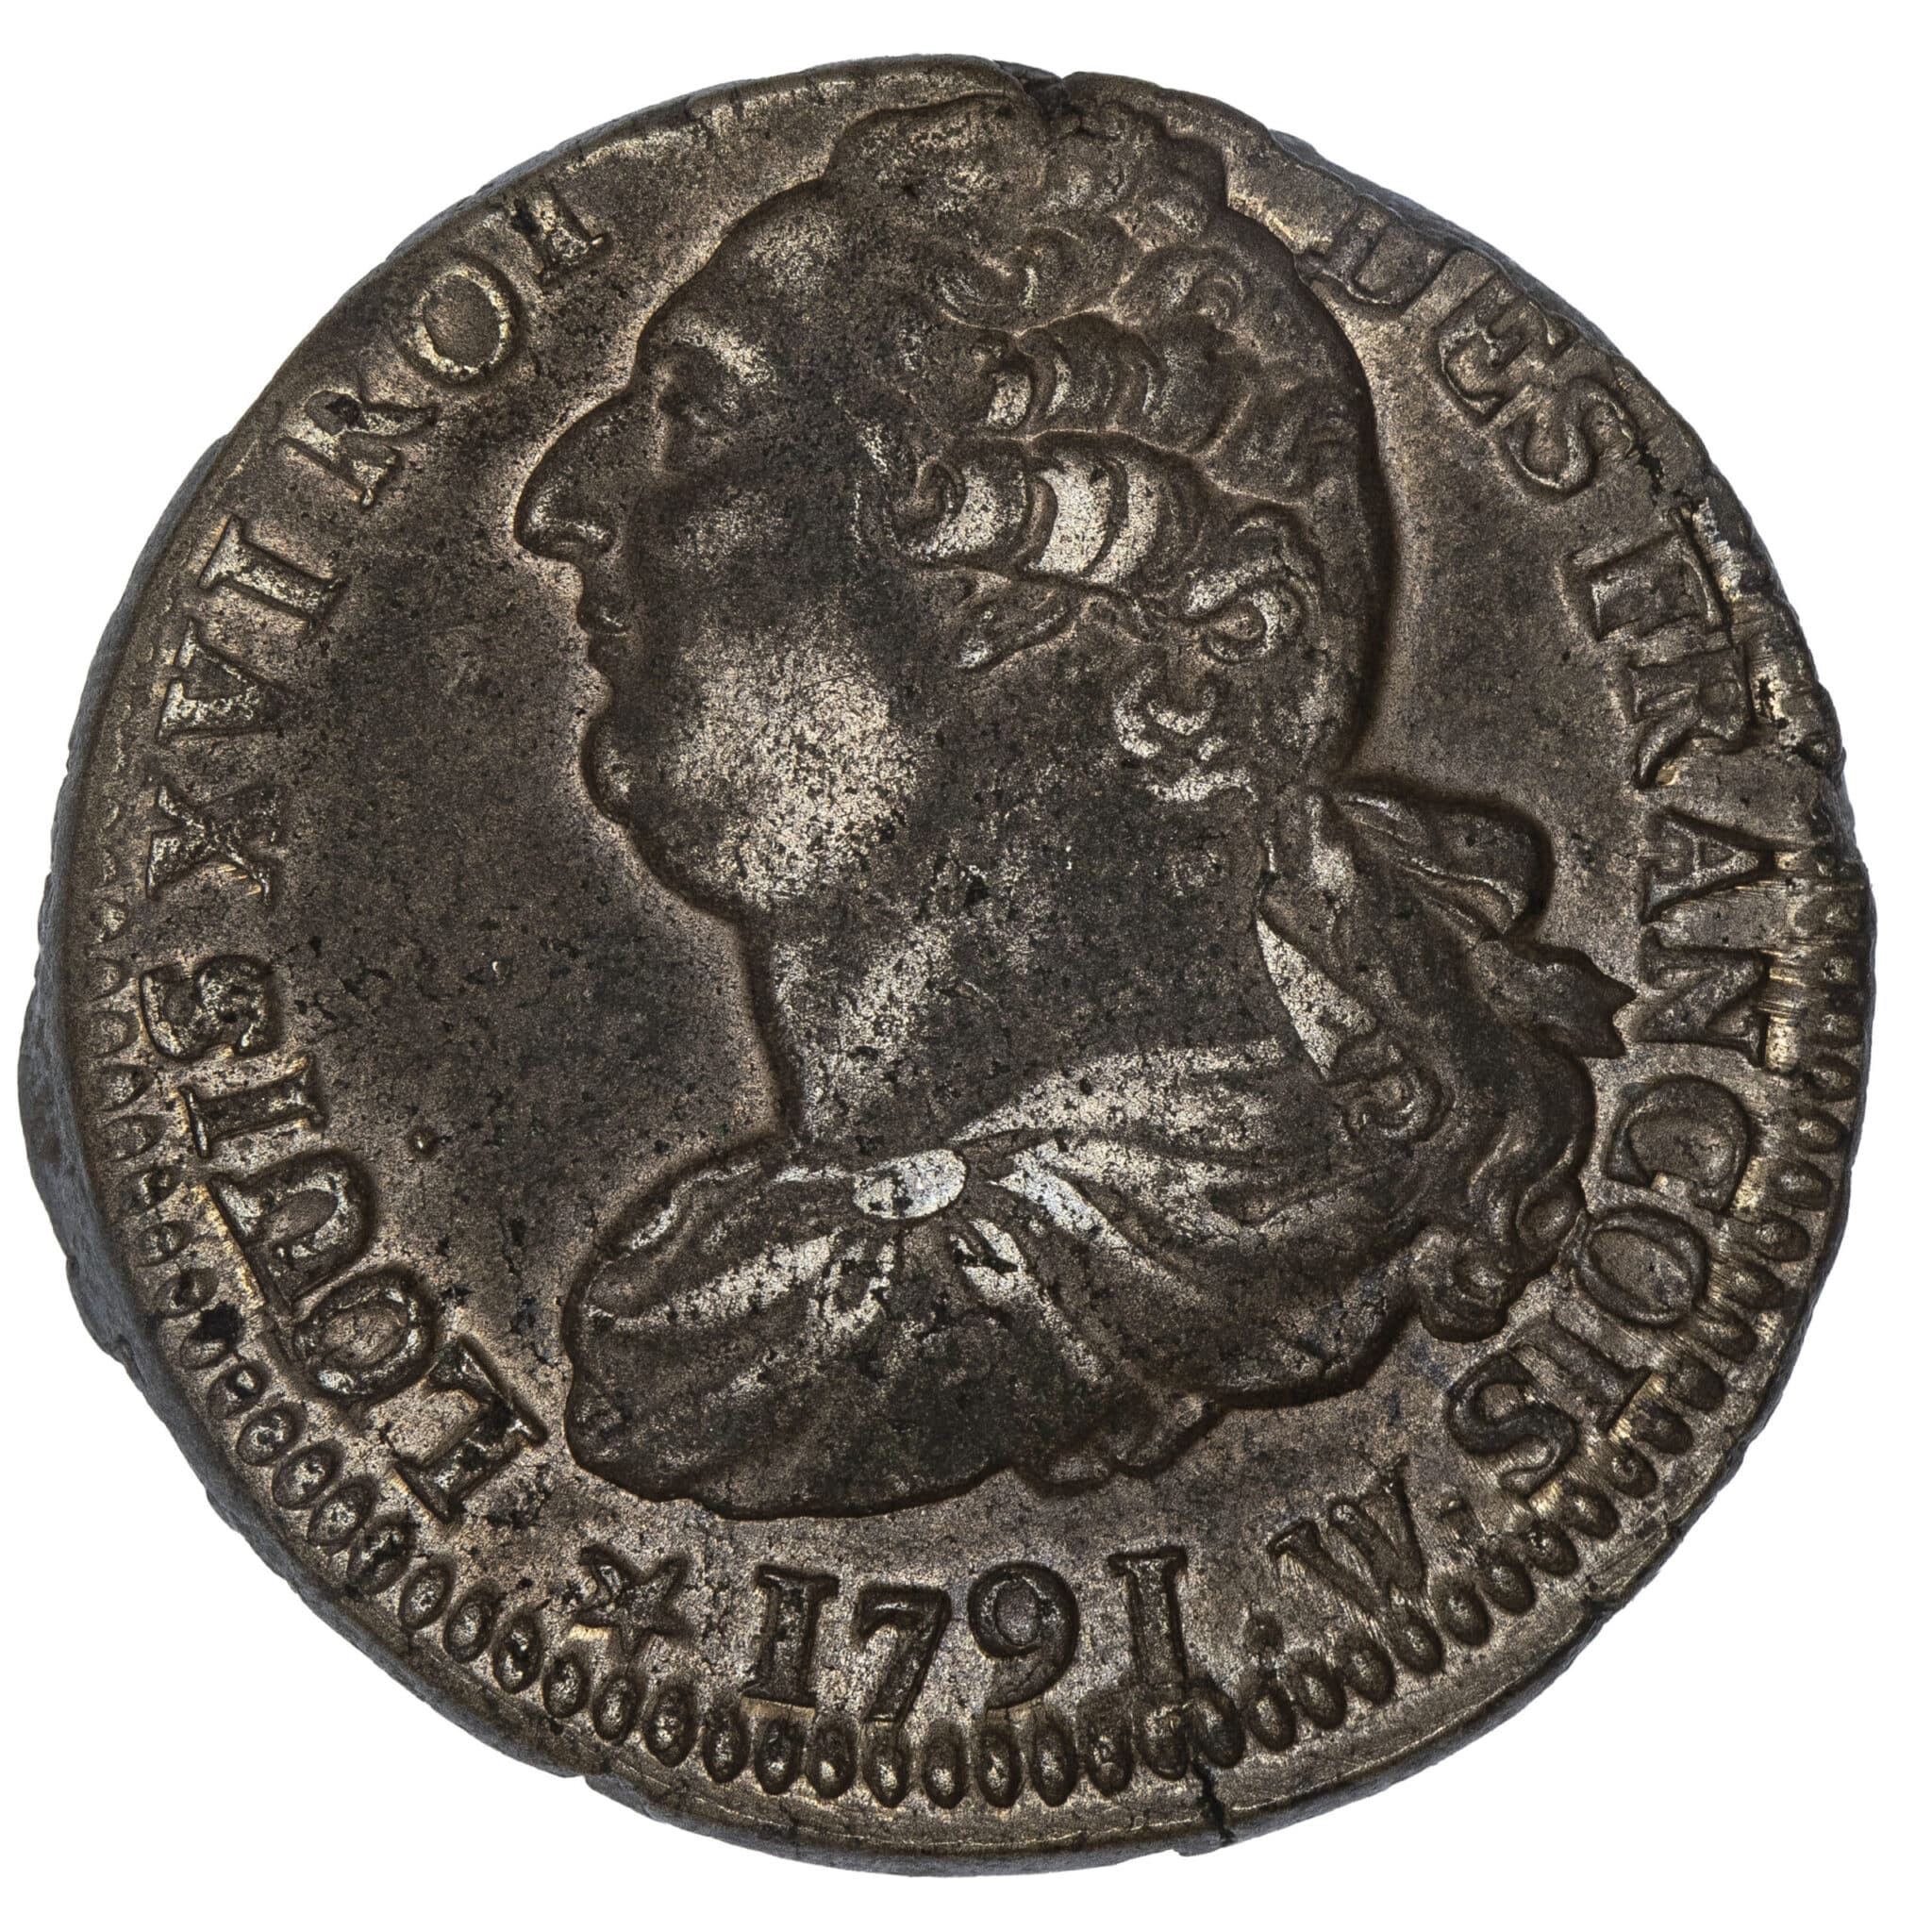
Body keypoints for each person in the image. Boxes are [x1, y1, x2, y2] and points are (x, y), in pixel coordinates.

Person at [513, 85, 1628, 1518]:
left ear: (1006, 585)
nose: (559, 503)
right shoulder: (723, 1273)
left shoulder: (1228, 1243)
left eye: (694, 411)